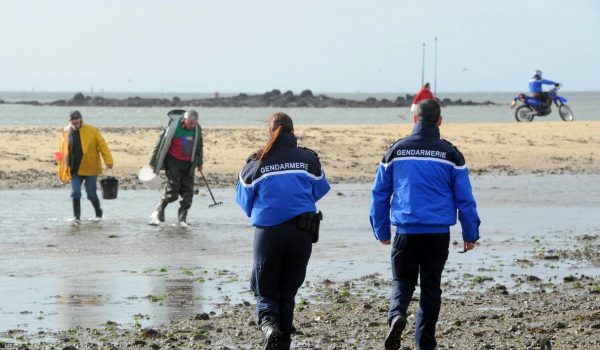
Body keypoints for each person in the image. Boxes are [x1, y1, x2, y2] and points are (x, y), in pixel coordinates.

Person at [370, 99, 480, 350]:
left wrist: (381, 229)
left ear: (415, 120)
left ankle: (397, 314)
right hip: (437, 233)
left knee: (402, 281)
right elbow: (465, 199)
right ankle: (425, 343)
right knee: (431, 288)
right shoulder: (450, 153)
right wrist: (470, 232)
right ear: (440, 121)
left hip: (406, 231)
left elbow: (379, 193)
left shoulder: (396, 150)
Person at [235, 112, 330, 350]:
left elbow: (243, 201)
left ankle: (268, 325)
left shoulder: (256, 161)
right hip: (301, 234)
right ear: (293, 132)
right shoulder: (309, 160)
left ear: (269, 132)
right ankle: (283, 342)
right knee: (287, 294)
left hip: (269, 234)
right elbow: (319, 190)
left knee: (264, 290)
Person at [148, 109, 203, 226]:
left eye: (194, 123)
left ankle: (182, 220)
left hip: (189, 163)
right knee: (173, 193)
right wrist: (153, 161)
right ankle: (161, 207)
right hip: (173, 161)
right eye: (190, 123)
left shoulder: (197, 128)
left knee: (188, 193)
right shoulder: (173, 126)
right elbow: (160, 143)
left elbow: (199, 146)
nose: (192, 126)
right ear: (184, 120)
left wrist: (200, 163)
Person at [57, 110, 113, 221]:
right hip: (75, 169)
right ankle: (76, 219)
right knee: (75, 193)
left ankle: (98, 213)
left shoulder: (91, 130)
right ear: (70, 121)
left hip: (90, 167)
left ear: (81, 119)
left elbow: (102, 145)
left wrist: (108, 161)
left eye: (77, 118)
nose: (75, 121)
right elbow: (62, 148)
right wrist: (60, 162)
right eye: (73, 119)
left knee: (91, 194)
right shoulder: (67, 132)